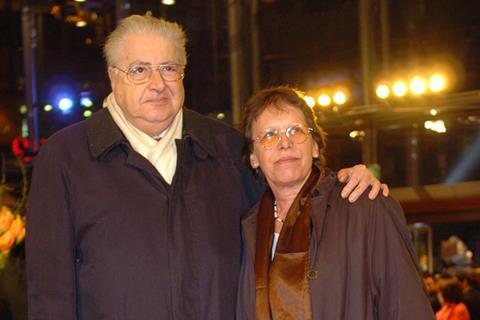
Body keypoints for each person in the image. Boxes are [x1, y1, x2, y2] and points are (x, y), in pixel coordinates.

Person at [25, 15, 386, 320]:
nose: (157, 84)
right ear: (112, 75)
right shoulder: (67, 156)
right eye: (139, 70)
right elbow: (49, 290)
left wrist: (340, 184)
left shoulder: (225, 147)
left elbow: (289, 195)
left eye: (169, 68)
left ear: (183, 75)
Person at [236, 86, 434, 319]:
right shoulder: (248, 228)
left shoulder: (363, 205)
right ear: (253, 157)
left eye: (295, 131)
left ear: (316, 146)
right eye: (269, 135)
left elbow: (407, 307)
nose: (284, 143)